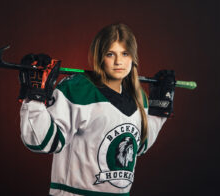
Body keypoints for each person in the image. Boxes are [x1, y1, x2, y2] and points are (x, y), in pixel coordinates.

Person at [18, 23, 175, 196]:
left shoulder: (139, 97)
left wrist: (159, 111)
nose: (118, 61)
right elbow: (42, 141)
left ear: (133, 57)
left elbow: (139, 146)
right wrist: (35, 98)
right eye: (110, 54)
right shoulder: (78, 90)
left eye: (125, 53)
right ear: (99, 56)